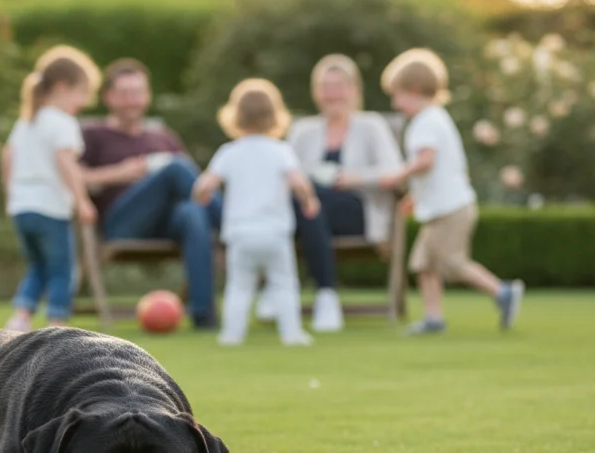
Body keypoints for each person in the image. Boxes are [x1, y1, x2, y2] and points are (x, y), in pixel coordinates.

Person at [379, 48, 523, 334]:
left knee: (452, 263)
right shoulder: (436, 118)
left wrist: (398, 175)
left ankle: (503, 292)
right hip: (444, 208)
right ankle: (434, 318)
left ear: (416, 90)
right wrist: (414, 197)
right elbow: (438, 170)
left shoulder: (425, 122)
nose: (396, 104)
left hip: (450, 210)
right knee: (424, 264)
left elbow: (426, 160)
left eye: (398, 95)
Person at [81, 59, 222, 329]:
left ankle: (204, 316)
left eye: (138, 93)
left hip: (167, 223)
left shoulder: (163, 136)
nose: (132, 100)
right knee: (176, 167)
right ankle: (231, 225)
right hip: (123, 223)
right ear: (108, 97)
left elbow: (195, 188)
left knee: (193, 212)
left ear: (147, 96)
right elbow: (74, 177)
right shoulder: (93, 134)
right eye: (125, 94)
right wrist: (119, 173)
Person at [276, 54, 405, 332]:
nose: (332, 93)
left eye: (339, 85)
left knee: (314, 201)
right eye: (325, 86)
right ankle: (326, 295)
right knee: (310, 202)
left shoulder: (372, 126)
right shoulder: (302, 130)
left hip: (356, 210)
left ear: (354, 89)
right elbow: (285, 175)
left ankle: (300, 292)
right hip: (309, 214)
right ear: (316, 92)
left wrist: (350, 178)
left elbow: (394, 173)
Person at [193, 80, 320, 347]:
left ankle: (232, 335)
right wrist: (309, 201)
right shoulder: (281, 151)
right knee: (284, 283)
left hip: (241, 233)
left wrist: (201, 197)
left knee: (239, 286)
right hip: (275, 232)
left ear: (235, 116)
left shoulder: (229, 152)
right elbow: (298, 182)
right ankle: (292, 334)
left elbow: (205, 185)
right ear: (276, 115)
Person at [1, 46, 100, 332]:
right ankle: (58, 322)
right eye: (81, 93)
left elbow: (8, 156)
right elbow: (65, 161)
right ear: (62, 87)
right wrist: (82, 200)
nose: (83, 101)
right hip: (50, 207)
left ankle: (20, 317)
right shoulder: (63, 123)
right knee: (61, 268)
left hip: (22, 207)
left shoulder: (27, 122)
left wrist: (11, 195)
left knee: (37, 265)